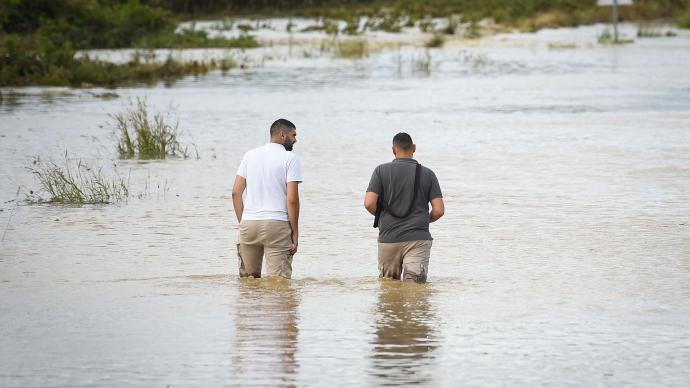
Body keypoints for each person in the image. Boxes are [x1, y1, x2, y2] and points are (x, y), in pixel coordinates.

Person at [364, 132, 444, 283]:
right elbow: (439, 210)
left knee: (389, 290)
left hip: (389, 238)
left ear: (393, 150)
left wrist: (382, 217)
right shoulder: (428, 174)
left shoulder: (380, 171)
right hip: (417, 239)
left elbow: (368, 203)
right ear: (414, 148)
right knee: (415, 290)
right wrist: (421, 220)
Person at [232, 119, 301, 278]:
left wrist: (243, 222)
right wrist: (295, 232)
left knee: (248, 282)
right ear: (283, 135)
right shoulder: (290, 159)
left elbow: (236, 192)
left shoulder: (250, 155)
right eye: (293, 135)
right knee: (279, 285)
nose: (295, 139)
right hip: (277, 224)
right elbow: (292, 200)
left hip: (249, 224)